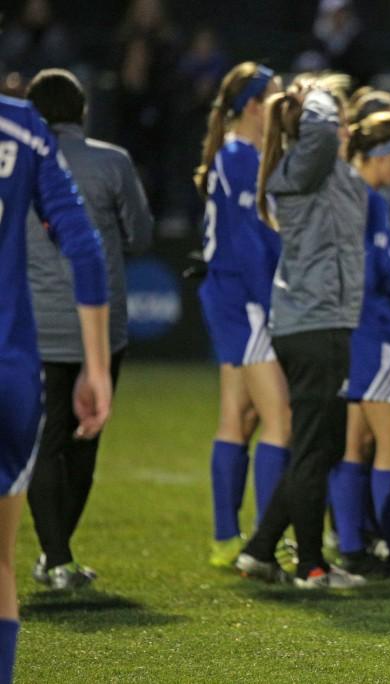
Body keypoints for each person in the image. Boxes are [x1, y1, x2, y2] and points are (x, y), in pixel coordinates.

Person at [236, 76, 367, 590]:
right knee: (316, 450)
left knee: (322, 446)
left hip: (319, 321)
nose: (342, 127)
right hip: (317, 324)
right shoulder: (304, 165)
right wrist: (314, 94)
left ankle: (262, 549)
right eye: (336, 118)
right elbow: (317, 134)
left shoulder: (316, 170)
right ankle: (310, 565)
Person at [24, 68, 153, 589]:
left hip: (34, 326)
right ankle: (57, 556)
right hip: (101, 325)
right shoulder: (112, 162)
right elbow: (140, 236)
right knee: (84, 438)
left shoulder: (16, 164)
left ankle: (55, 557)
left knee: (44, 439)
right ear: (82, 112)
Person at [0, 92, 112, 684]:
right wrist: (96, 366)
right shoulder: (22, 126)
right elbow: (85, 248)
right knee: (1, 563)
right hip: (12, 367)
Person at [192, 62, 292, 569]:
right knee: (281, 418)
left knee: (239, 415)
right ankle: (265, 543)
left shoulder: (240, 154)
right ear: (255, 105)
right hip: (245, 301)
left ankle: (227, 538)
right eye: (275, 97)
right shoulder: (238, 156)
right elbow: (249, 244)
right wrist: (270, 304)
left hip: (229, 296)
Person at [329, 110, 390, 579]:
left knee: (355, 442)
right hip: (373, 330)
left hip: (351, 330)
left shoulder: (350, 194)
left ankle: (352, 547)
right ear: (381, 156)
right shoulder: (366, 201)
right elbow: (374, 276)